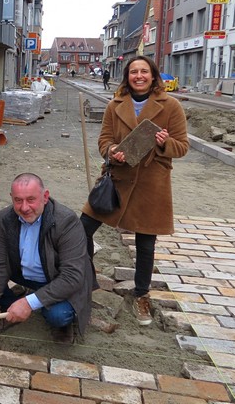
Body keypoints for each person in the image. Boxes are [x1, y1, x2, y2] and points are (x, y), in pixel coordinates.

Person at [80, 55, 188, 326]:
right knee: (81, 230)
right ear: (127, 77)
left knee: (145, 244)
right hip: (116, 179)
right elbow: (104, 139)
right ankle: (86, 280)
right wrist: (112, 151)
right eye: (133, 72)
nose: (138, 76)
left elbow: (182, 146)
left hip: (152, 183)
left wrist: (164, 143)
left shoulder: (171, 106)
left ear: (153, 76)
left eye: (144, 72)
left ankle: (142, 295)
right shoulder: (115, 105)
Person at [0, 173, 94, 344]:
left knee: (58, 316)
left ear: (45, 197)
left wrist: (28, 303)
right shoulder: (6, 218)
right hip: (26, 274)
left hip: (58, 278)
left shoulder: (66, 222)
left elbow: (73, 276)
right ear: (11, 198)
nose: (25, 207)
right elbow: (0, 264)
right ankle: (10, 305)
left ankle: (56, 319)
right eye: (18, 200)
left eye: (31, 199)